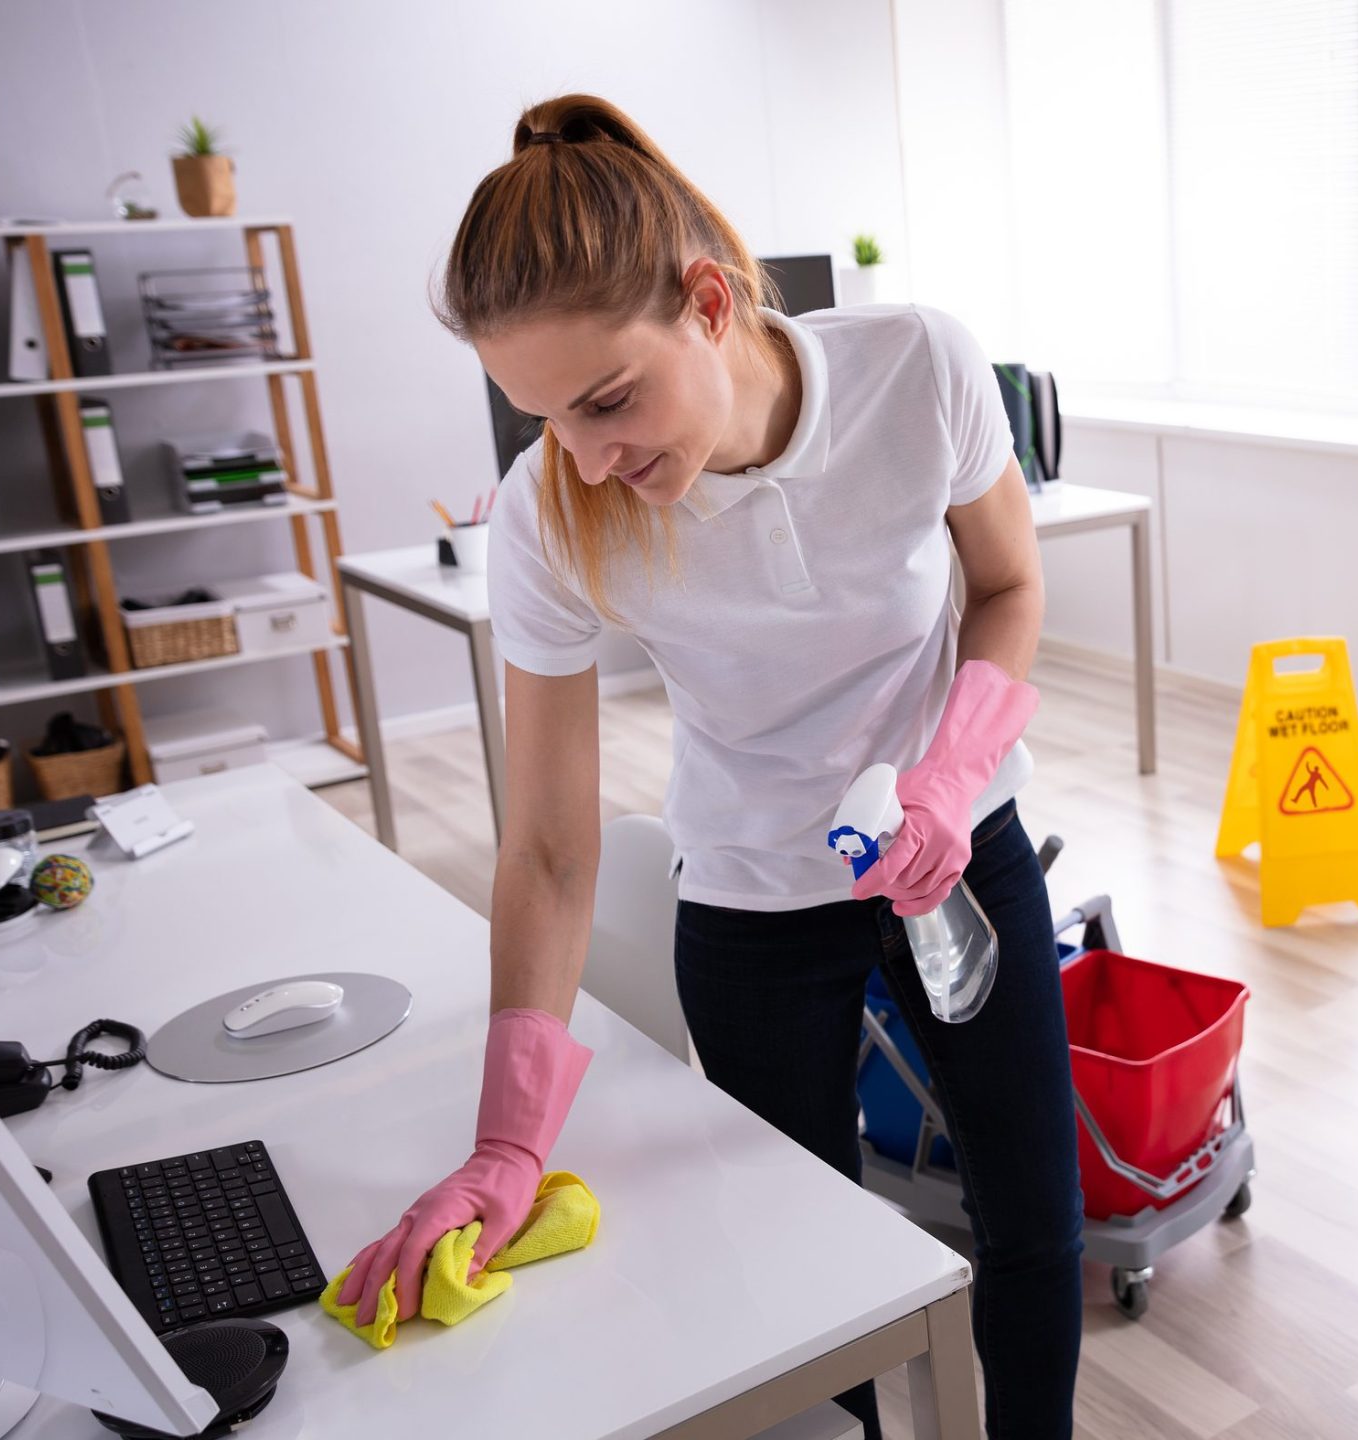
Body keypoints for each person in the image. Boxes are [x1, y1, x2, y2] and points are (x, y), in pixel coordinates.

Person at [329, 95, 1084, 1440]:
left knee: (1031, 1219)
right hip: (751, 901)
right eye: (546, 419)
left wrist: (954, 777)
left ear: (711, 301)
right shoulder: (553, 523)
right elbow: (551, 850)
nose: (593, 457)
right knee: (805, 1280)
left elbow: (1011, 580)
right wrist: (509, 1140)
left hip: (956, 859)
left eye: (610, 399)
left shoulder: (920, 367)